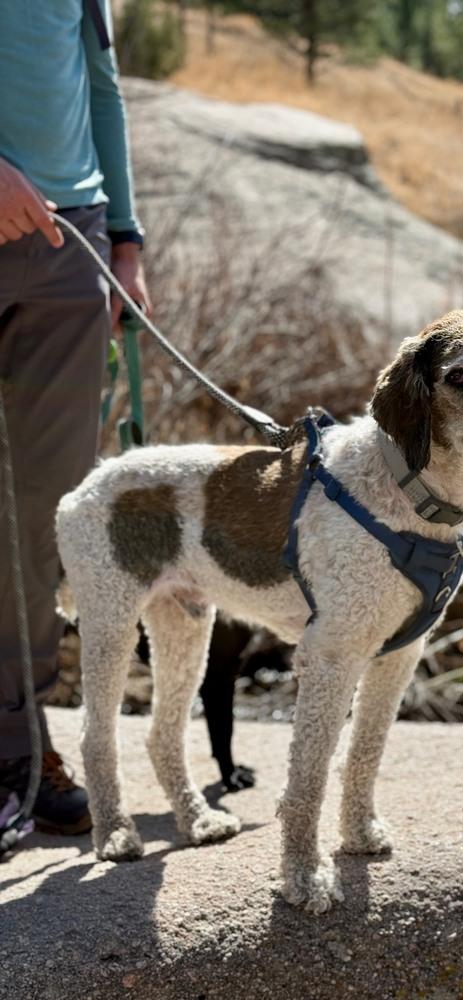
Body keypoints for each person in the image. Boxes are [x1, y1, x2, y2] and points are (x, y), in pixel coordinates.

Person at [0, 0, 151, 834]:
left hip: (72, 246)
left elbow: (102, 88)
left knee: (42, 511)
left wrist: (125, 239)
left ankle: (18, 747)